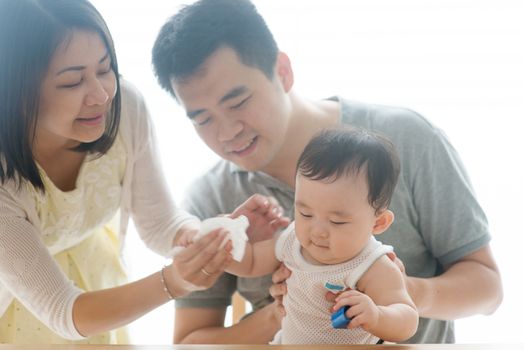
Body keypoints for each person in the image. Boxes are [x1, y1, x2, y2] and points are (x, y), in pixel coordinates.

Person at [151, 0, 503, 344]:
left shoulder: (407, 139)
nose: (227, 133)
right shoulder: (210, 199)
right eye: (203, 119)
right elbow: (191, 342)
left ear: (283, 72)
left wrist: (395, 292)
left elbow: (488, 289)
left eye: (238, 102)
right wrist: (283, 310)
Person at [0, 0, 283, 344]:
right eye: (73, 82)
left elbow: (160, 223)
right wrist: (175, 281)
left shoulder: (123, 108)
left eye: (105, 69)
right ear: (16, 91)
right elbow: (63, 310)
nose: (102, 95)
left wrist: (213, 236)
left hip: (95, 278)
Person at [224, 128, 418, 344]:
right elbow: (251, 262)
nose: (317, 231)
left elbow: (407, 319)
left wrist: (377, 315)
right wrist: (225, 249)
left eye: (337, 221)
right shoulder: (291, 240)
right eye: (305, 214)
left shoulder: (372, 265)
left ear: (378, 222)